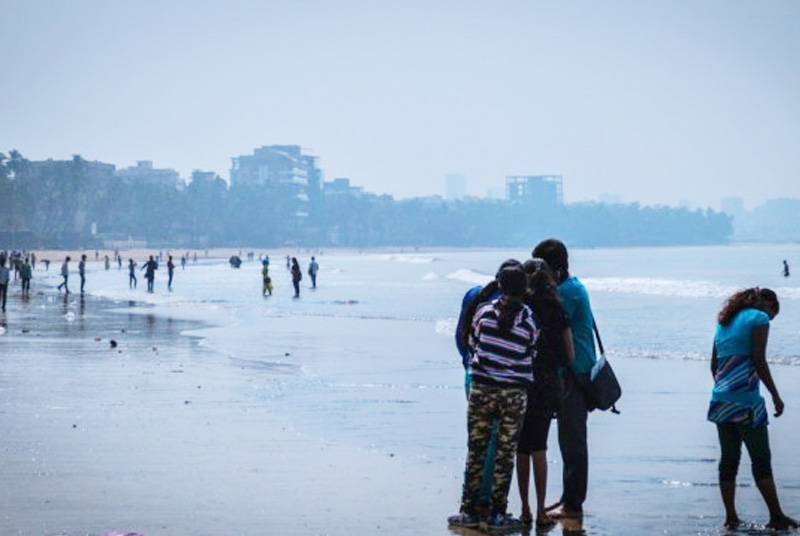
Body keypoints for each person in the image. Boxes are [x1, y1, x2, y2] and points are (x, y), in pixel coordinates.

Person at [449, 265, 538, 531]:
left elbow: (473, 344)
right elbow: (531, 353)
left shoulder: (483, 313)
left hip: (482, 390)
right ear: (524, 289)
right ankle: (499, 513)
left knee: (476, 450)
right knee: (504, 454)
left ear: (499, 285)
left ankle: (469, 511)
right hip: (513, 394)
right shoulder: (529, 320)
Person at [708, 287, 798, 530]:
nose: (769, 320)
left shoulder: (724, 321)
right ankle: (776, 516)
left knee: (729, 460)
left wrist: (726, 388)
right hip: (746, 401)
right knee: (761, 459)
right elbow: (759, 359)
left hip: (720, 399)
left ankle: (731, 517)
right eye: (771, 315)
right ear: (767, 305)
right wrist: (776, 396)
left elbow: (714, 365)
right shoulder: (759, 318)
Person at [532, 238, 596, 522]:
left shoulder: (567, 294)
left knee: (572, 441)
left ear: (554, 269)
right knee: (569, 440)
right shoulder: (571, 287)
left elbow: (549, 327)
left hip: (574, 374)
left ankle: (573, 504)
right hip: (574, 371)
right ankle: (569, 499)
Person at [516, 258, 575, 528]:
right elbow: (570, 354)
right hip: (547, 386)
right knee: (539, 446)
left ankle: (524, 510)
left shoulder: (522, 309)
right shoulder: (556, 309)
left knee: (521, 448)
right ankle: (541, 512)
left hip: (521, 382)